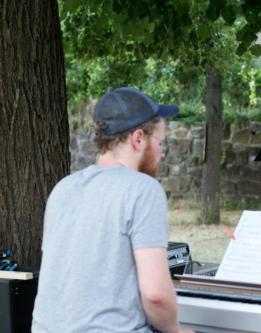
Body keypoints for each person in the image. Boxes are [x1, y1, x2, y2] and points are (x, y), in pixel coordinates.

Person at [32, 87, 194, 333]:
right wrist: (178, 331)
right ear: (138, 138)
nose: (162, 153)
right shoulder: (143, 190)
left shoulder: (63, 189)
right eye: (161, 143)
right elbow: (156, 295)